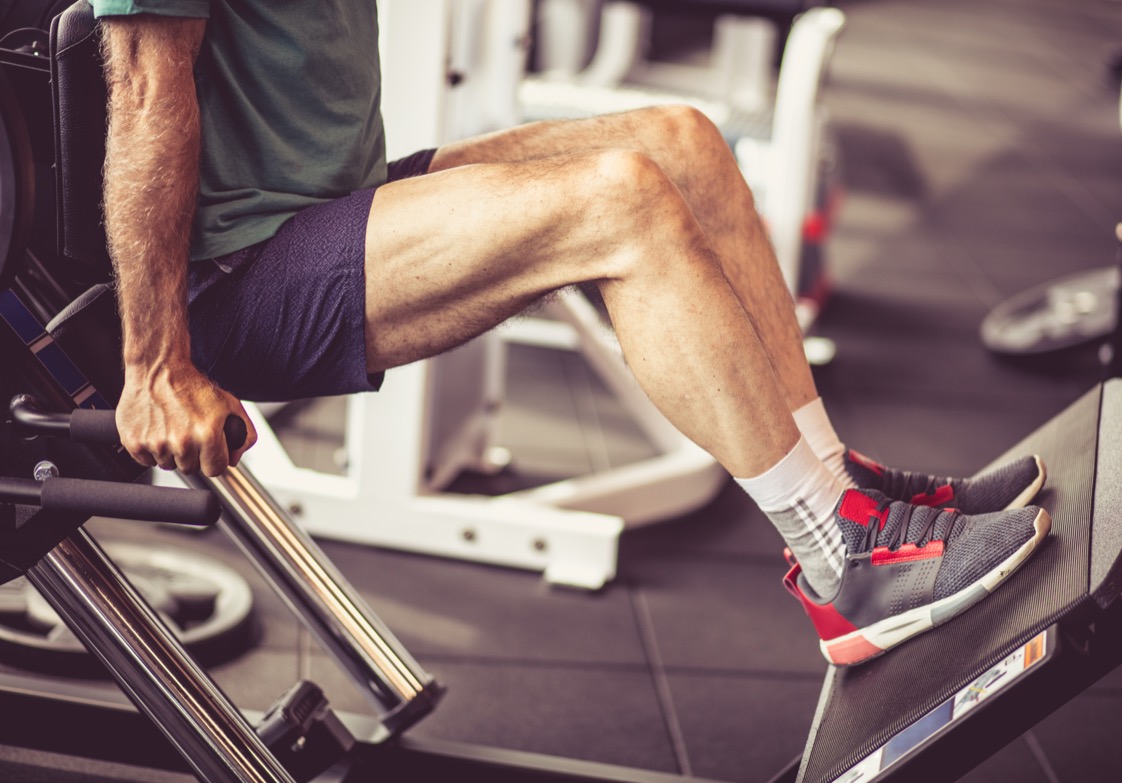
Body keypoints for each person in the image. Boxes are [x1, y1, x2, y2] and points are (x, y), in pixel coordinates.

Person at [93, 0, 1050, 666]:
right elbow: (141, 89)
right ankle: (840, 563)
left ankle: (837, 484)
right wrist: (154, 362)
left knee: (684, 147)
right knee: (620, 204)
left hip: (340, 203)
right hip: (234, 276)